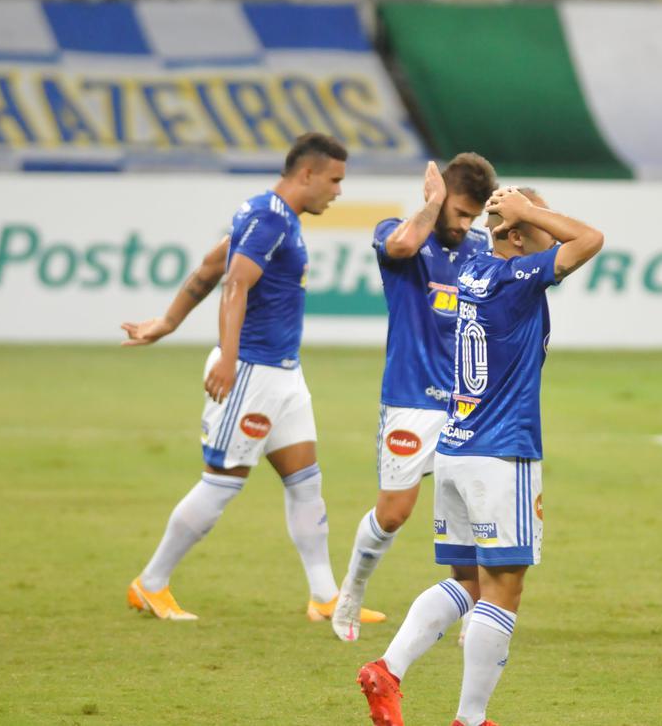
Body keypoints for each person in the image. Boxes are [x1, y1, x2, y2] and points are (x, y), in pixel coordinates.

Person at [357, 187, 603, 726]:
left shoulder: (473, 273)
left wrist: (518, 215)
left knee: (468, 583)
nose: (548, 228)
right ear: (515, 234)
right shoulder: (518, 279)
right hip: (501, 454)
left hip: (455, 448)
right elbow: (589, 239)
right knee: (504, 588)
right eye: (536, 223)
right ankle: (470, 719)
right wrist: (528, 212)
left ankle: (388, 670)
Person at [125, 132, 381, 626]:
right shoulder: (268, 217)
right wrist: (229, 357)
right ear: (306, 174)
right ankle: (150, 584)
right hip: (252, 374)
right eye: (335, 179)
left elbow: (205, 269)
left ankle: (325, 597)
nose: (339, 191)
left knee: (306, 483)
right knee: (221, 484)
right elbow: (234, 283)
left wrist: (167, 323)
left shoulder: (269, 213)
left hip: (283, 375)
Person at [331, 152, 496, 642]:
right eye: (460, 213)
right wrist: (431, 206)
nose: (465, 225)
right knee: (394, 512)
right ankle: (351, 592)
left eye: (473, 216)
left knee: (472, 509)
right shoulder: (397, 232)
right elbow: (403, 245)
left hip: (467, 404)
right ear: (440, 197)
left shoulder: (481, 247)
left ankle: (476, 612)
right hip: (409, 399)